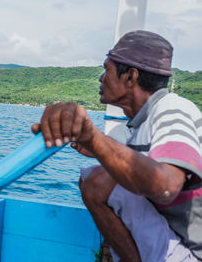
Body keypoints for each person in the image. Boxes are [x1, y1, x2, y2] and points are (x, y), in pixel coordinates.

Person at [32, 30, 202, 262]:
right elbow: (143, 164)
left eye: (107, 70)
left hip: (192, 253)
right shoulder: (139, 124)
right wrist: (96, 148)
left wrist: (94, 138)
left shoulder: (172, 109)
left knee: (97, 181)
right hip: (176, 241)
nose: (101, 78)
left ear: (130, 77)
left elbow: (167, 185)